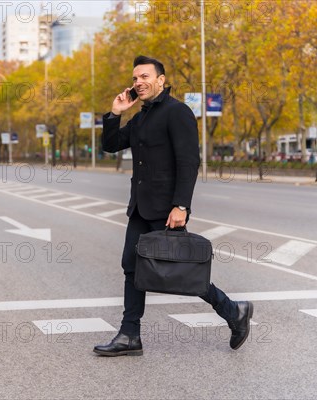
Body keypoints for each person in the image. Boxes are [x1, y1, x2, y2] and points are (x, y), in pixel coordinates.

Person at [94, 56, 253, 356]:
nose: (138, 82)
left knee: (183, 270)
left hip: (167, 209)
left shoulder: (177, 112)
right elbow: (111, 144)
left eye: (144, 76)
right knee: (132, 268)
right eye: (135, 78)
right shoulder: (140, 117)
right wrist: (115, 113)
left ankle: (234, 312)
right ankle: (130, 336)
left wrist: (181, 205)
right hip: (141, 208)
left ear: (161, 80)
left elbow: (188, 162)